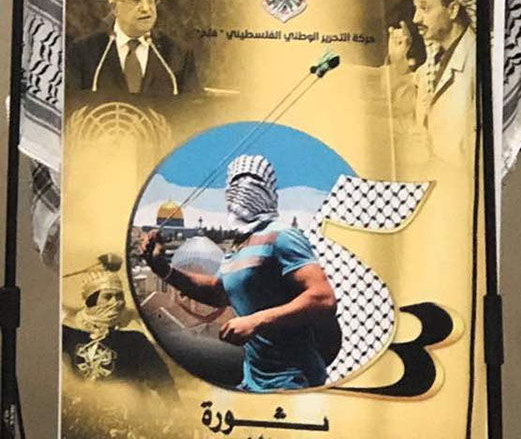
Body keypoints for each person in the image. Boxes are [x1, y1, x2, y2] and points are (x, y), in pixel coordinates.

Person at [141, 154, 338, 392]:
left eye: (252, 182)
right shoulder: (240, 244)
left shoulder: (282, 235)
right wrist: (162, 269)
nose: (241, 190)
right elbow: (218, 292)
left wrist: (256, 320)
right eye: (235, 183)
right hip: (254, 379)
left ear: (268, 190)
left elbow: (323, 297)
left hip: (292, 380)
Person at [66, 0, 198, 95]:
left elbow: (193, 105)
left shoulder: (179, 54)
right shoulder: (83, 53)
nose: (146, 8)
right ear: (114, 8)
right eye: (136, 0)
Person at [388, 0, 476, 164]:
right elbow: (408, 113)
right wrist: (399, 62)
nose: (416, 18)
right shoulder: (430, 65)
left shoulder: (478, 61)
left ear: (452, 10)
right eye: (416, 9)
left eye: (425, 8)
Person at [62, 268, 176, 396]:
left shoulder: (134, 338)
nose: (115, 302)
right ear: (91, 300)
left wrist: (173, 406)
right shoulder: (71, 331)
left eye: (119, 296)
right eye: (107, 297)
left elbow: (162, 381)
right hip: (81, 403)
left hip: (126, 405)